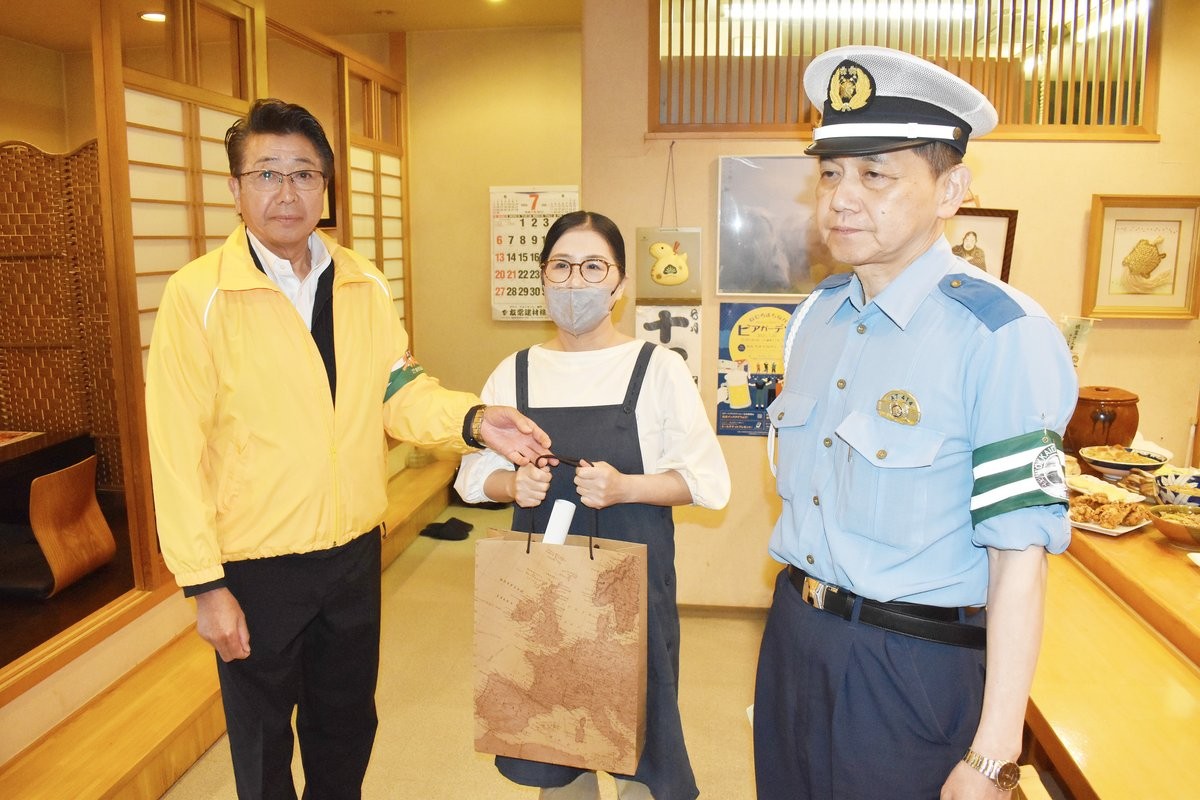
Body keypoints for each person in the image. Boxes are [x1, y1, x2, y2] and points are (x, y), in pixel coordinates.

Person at [144, 98, 550, 800]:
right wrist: (204, 584)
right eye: (267, 173)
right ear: (235, 188)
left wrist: (476, 420)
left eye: (304, 174)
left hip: (353, 551)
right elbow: (175, 449)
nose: (287, 192)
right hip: (256, 560)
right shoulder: (198, 295)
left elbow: (398, 391)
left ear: (325, 186)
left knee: (346, 726)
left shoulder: (362, 282)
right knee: (263, 740)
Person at [752, 47, 1077, 800]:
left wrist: (994, 757)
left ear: (950, 189)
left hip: (911, 668)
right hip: (796, 638)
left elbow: (1019, 561)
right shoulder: (815, 318)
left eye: (876, 175)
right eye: (830, 173)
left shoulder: (1002, 334)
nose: (841, 198)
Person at [455, 210, 731, 800]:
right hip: (543, 595)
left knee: (638, 743)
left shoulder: (657, 368)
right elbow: (472, 478)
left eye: (592, 267)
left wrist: (627, 487)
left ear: (619, 283)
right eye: (561, 266)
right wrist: (512, 485)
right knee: (556, 744)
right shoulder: (515, 371)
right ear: (543, 277)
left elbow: (707, 483)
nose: (575, 281)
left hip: (630, 589)